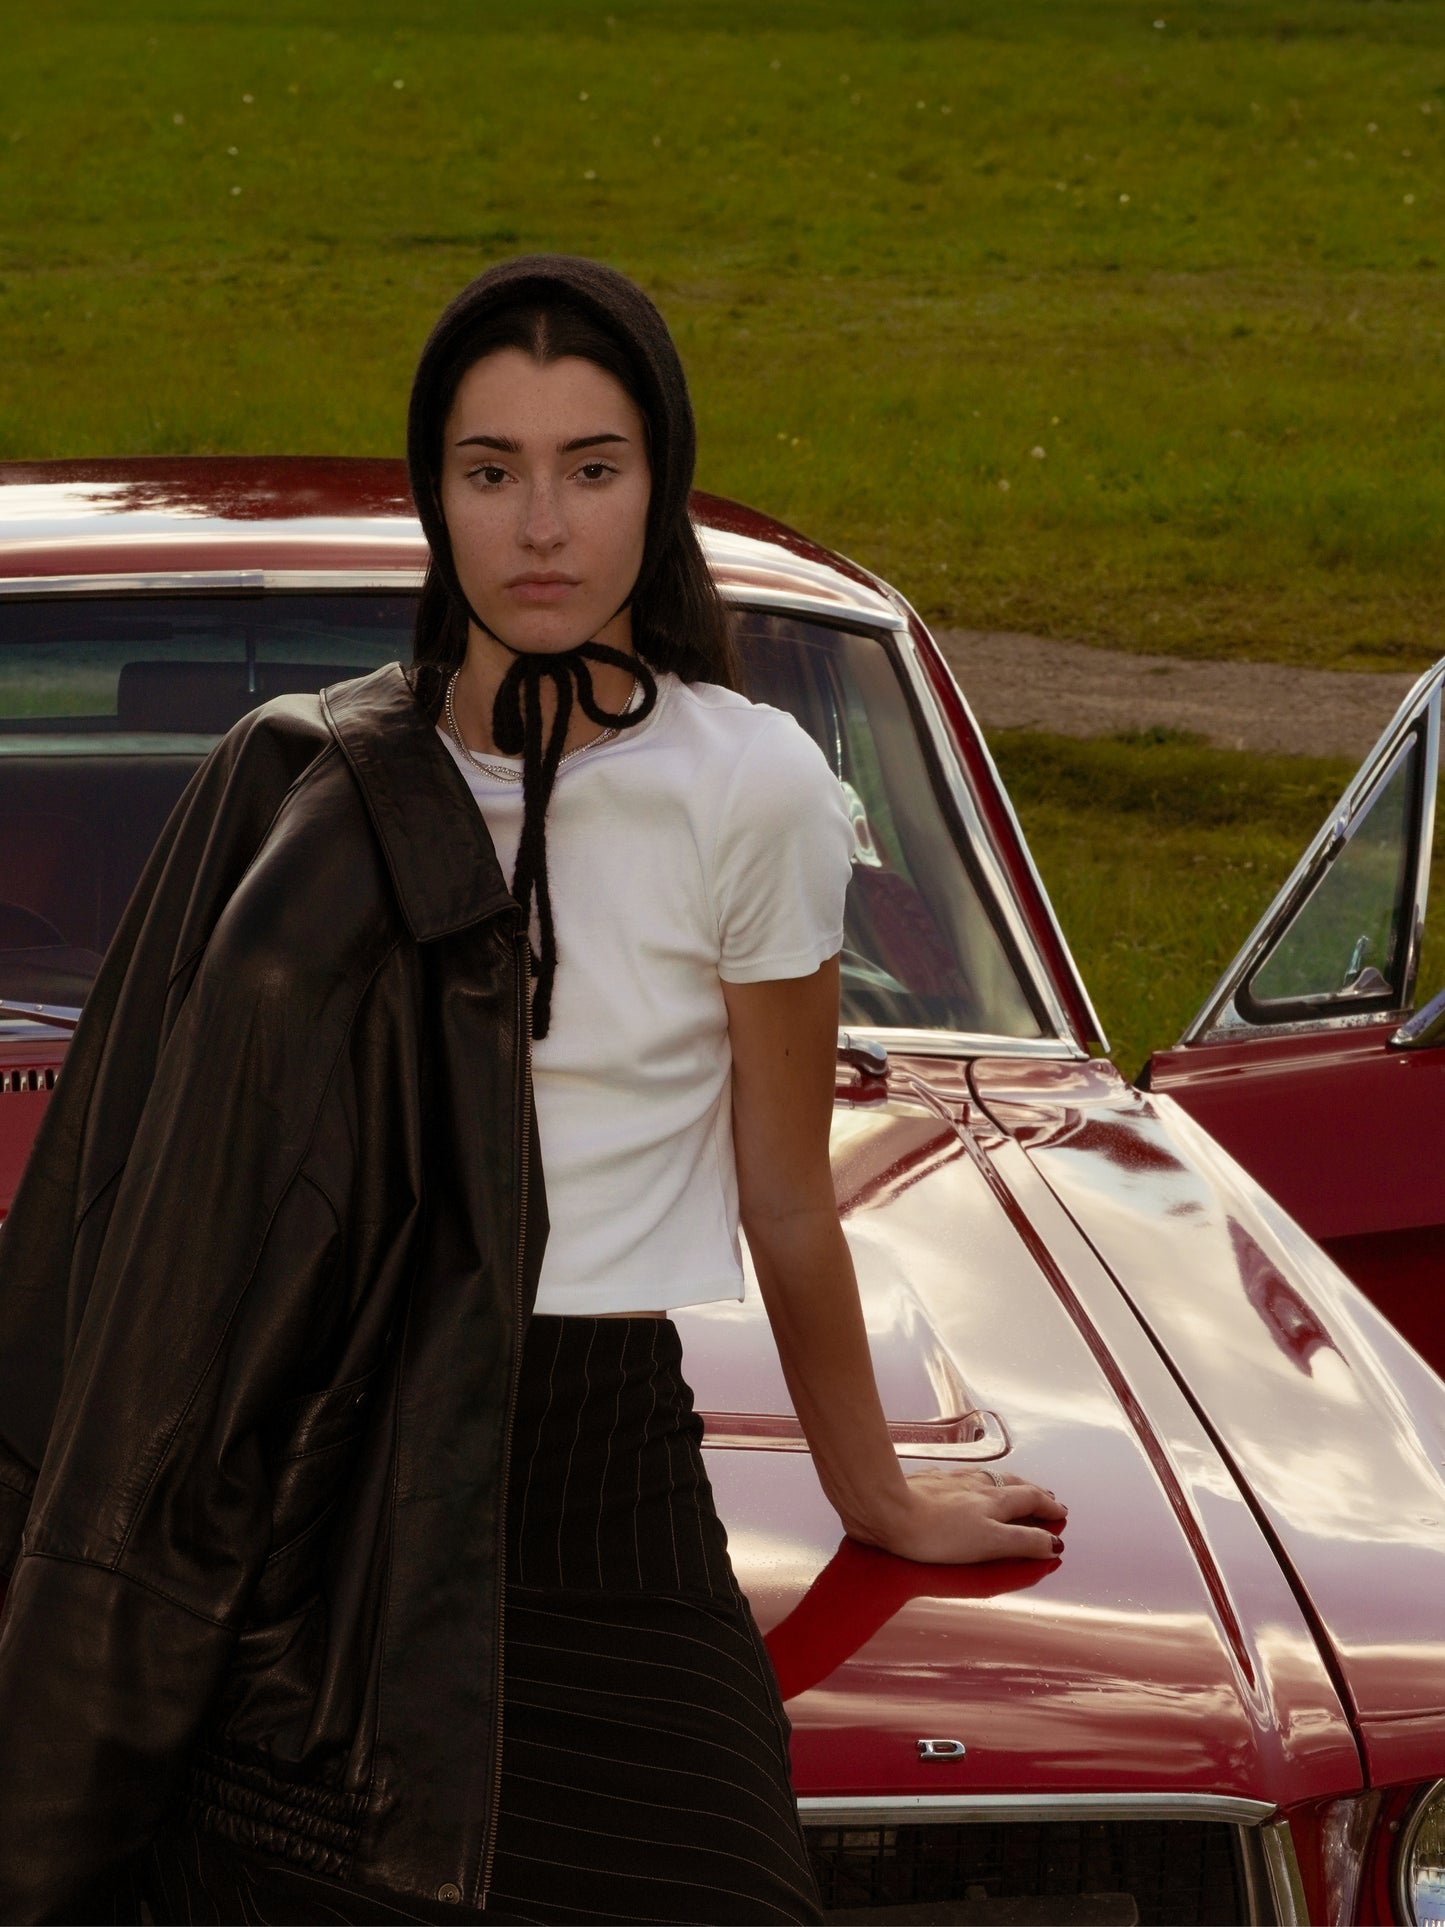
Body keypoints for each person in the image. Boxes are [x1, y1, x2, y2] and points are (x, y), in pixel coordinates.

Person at [0, 255, 1065, 1925]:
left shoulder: (752, 785)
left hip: (606, 1480)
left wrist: (879, 1495)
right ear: (441, 496)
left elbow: (787, 1193)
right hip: (326, 1489)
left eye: (593, 467)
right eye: (492, 472)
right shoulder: (319, 791)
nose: (543, 525)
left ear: (659, 485)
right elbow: (176, 1201)